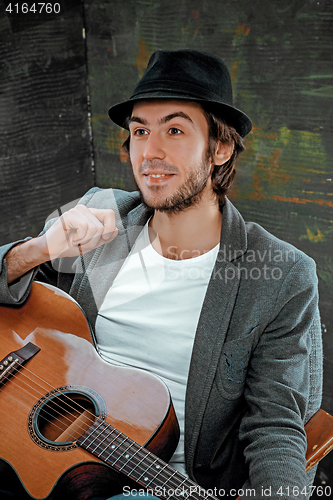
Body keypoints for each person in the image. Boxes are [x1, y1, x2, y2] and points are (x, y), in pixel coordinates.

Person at [0, 50, 323, 500]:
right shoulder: (102, 214)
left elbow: (275, 425)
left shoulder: (280, 275)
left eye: (174, 130)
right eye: (139, 131)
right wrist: (39, 249)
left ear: (220, 148)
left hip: (162, 485)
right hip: (42, 457)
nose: (150, 152)